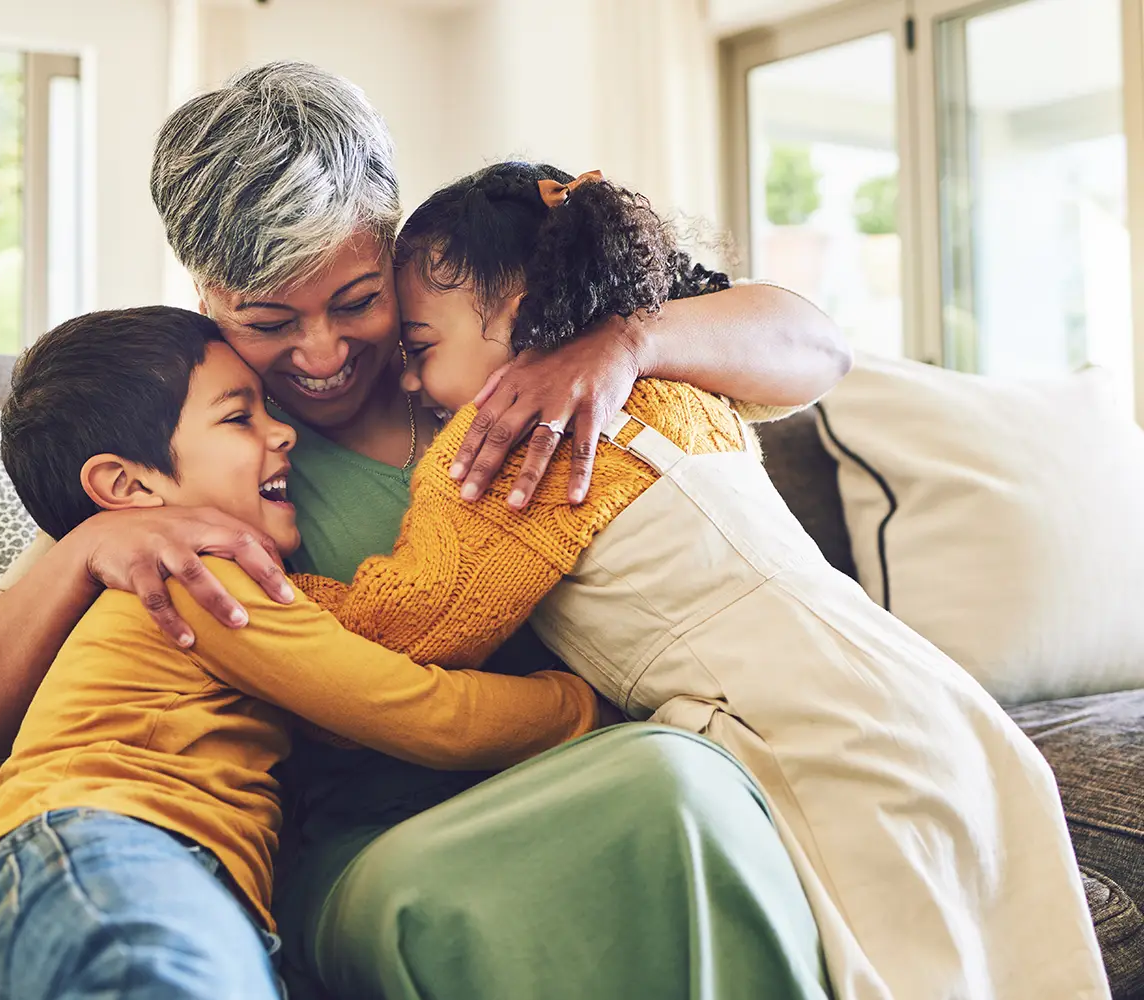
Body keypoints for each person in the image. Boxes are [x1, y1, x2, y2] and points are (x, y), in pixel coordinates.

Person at [0, 62, 852, 999]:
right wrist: (85, 549)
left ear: (394, 249)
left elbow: (817, 349)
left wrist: (624, 346)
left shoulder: (506, 343)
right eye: (267, 321)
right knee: (672, 786)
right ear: (207, 300)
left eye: (356, 301)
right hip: (381, 846)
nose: (324, 356)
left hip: (599, 766)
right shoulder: (191, 452)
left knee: (696, 788)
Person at [292, 161, 1109, 1000]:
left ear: (522, 312)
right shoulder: (682, 387)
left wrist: (242, 591)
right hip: (933, 696)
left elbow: (405, 629)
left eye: (421, 349)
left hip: (802, 729)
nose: (409, 378)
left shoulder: (516, 449)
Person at [0, 306, 605, 1000]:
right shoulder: (196, 576)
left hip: (21, 900)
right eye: (239, 418)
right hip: (110, 862)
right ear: (127, 488)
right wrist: (590, 708)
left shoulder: (110, 588)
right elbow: (427, 712)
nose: (282, 432)